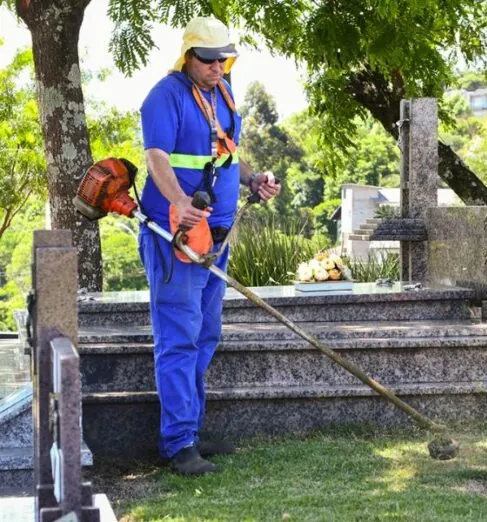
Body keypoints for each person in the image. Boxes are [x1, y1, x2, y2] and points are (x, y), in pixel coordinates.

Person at [138, 16, 280, 475]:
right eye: (210, 59)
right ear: (188, 57)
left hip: (216, 237)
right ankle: (178, 444)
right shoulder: (165, 96)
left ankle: (190, 431)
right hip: (175, 237)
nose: (219, 66)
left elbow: (226, 153)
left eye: (226, 58)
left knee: (205, 335)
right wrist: (179, 203)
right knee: (179, 339)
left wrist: (253, 180)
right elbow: (157, 156)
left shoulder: (222, 91)